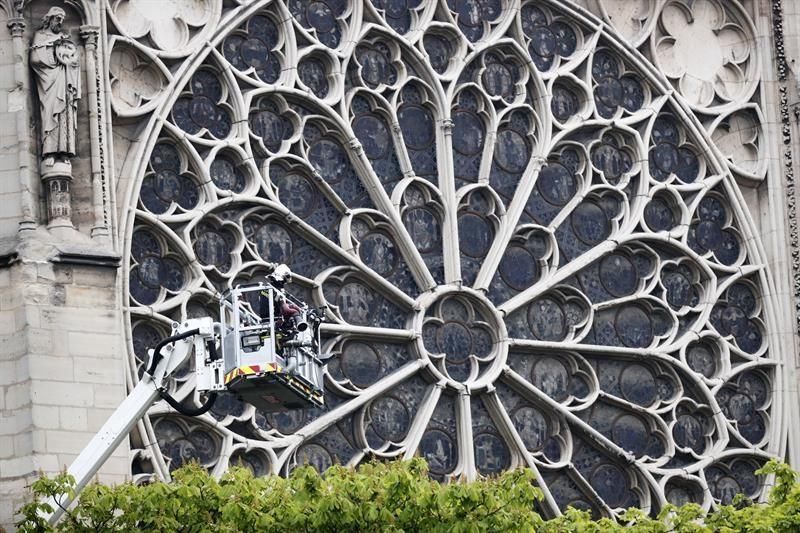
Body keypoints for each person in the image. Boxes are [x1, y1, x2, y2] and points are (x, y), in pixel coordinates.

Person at [30, 7, 81, 166]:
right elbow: (35, 60)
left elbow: (74, 61)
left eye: (61, 19)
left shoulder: (62, 38)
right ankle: (50, 151)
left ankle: (65, 152)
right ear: (49, 19)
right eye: (57, 19)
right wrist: (52, 48)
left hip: (64, 82)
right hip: (49, 85)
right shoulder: (40, 36)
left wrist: (67, 57)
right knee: (50, 116)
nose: (60, 22)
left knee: (66, 116)